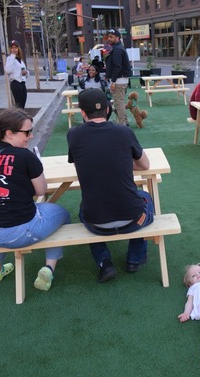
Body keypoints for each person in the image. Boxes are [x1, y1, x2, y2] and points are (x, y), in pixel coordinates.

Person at [0, 108, 71, 291]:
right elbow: (41, 191)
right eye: (27, 132)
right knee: (61, 214)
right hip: (16, 233)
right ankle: (49, 267)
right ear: (9, 133)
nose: (31, 136)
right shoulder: (25, 156)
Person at [67, 89, 154, 282]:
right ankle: (135, 258)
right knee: (146, 197)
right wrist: (122, 160)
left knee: (84, 207)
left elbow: (81, 162)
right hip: (133, 219)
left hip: (95, 223)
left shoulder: (73, 135)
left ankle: (104, 262)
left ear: (82, 112)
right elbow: (145, 165)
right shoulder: (124, 131)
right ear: (108, 109)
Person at [105, 29, 132, 126]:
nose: (109, 39)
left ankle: (123, 123)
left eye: (111, 37)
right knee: (119, 102)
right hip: (121, 79)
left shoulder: (117, 49)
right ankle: (124, 121)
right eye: (108, 37)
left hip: (119, 80)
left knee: (118, 103)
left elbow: (118, 66)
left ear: (117, 38)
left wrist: (113, 81)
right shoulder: (119, 48)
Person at [5, 40, 28, 109]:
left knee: (23, 104)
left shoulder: (20, 60)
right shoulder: (10, 58)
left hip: (22, 83)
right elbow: (8, 70)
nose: (14, 49)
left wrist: (26, 72)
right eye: (12, 48)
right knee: (18, 105)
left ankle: (21, 118)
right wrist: (12, 56)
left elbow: (26, 73)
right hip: (15, 83)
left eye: (16, 48)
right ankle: (18, 119)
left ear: (18, 49)